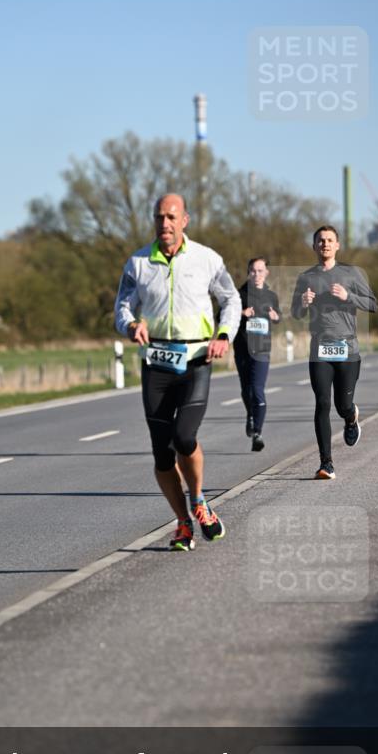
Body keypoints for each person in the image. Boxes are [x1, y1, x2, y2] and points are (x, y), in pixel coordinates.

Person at [115, 193, 241, 550]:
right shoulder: (138, 263)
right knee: (161, 452)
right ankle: (183, 523)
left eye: (171, 217)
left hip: (196, 358)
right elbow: (122, 306)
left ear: (185, 220)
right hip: (156, 362)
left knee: (184, 436)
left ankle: (200, 501)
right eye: (159, 218)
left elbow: (232, 299)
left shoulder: (206, 259)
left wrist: (223, 335)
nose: (164, 224)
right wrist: (129, 326)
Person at [291, 225, 377, 480]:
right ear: (314, 246)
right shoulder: (306, 277)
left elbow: (373, 304)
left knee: (342, 405)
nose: (325, 244)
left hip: (347, 349)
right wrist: (302, 304)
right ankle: (326, 463)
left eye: (329, 240)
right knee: (322, 403)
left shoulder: (351, 273)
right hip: (320, 348)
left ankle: (351, 418)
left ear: (337, 245)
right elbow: (295, 312)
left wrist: (349, 295)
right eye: (320, 240)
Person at [233, 257, 281, 451]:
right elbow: (221, 316)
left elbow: (278, 317)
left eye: (260, 271)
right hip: (243, 348)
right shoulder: (237, 295)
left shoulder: (271, 295)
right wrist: (241, 313)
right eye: (253, 270)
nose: (257, 274)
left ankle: (258, 433)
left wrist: (274, 316)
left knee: (258, 389)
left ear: (266, 273)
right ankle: (251, 416)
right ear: (248, 272)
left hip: (262, 349)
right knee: (246, 390)